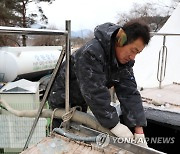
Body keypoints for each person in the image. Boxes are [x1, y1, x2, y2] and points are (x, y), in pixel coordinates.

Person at [48, 20, 150, 147]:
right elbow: (95, 92)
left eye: (137, 53)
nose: (133, 57)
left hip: (82, 100)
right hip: (63, 100)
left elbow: (129, 92)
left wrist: (138, 130)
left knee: (79, 133)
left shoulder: (124, 61)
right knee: (61, 139)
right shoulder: (91, 52)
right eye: (133, 50)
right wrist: (115, 125)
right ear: (121, 40)